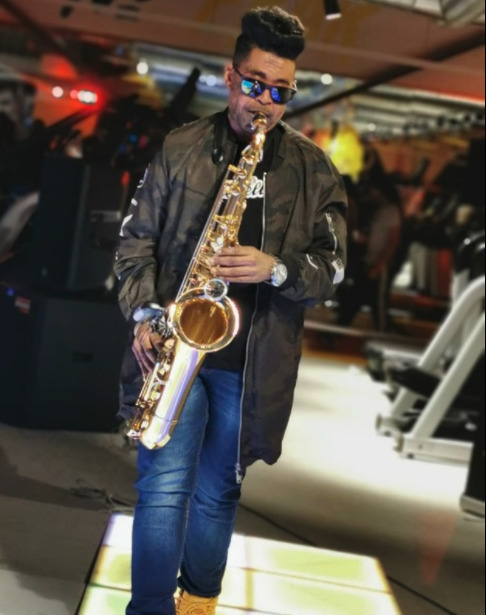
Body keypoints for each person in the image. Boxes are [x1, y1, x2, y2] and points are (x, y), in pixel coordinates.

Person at [114, 6, 347, 615]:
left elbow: (334, 270)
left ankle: (199, 603)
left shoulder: (315, 170)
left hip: (252, 362)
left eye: (280, 92)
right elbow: (134, 243)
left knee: (217, 494)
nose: (264, 102)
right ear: (230, 75)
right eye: (254, 84)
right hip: (176, 343)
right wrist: (145, 314)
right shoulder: (181, 147)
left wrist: (277, 268)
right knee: (164, 488)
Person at [336, 145, 401, 331]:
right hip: (370, 261)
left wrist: (379, 266)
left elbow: (393, 241)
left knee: (376, 301)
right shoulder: (379, 211)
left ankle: (382, 332)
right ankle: (344, 327)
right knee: (362, 298)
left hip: (379, 264)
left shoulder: (390, 211)